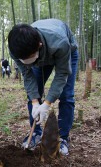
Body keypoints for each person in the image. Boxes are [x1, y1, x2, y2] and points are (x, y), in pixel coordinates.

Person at [8, 19, 78, 156]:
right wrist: (35, 102)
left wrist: (46, 104)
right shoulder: (16, 49)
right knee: (34, 93)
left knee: (66, 95)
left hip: (66, 53)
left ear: (39, 45)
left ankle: (62, 138)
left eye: (30, 57)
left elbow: (62, 74)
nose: (25, 60)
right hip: (39, 59)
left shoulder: (60, 42)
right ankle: (35, 133)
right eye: (23, 59)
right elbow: (27, 76)